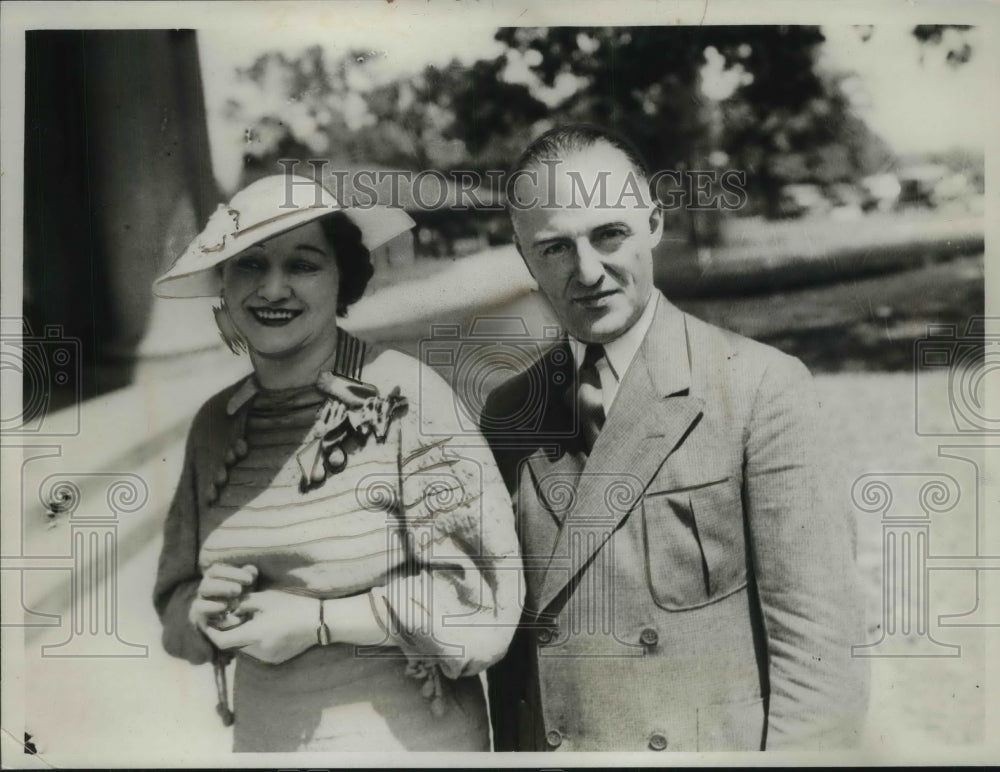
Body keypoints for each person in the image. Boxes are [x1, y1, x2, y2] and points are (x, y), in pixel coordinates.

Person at [482, 125, 868, 752]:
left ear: (655, 223)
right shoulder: (508, 413)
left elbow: (819, 649)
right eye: (554, 248)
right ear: (525, 258)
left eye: (610, 235)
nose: (587, 272)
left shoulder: (760, 389)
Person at [151, 174, 522, 752]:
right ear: (222, 282)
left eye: (302, 265)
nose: (272, 289)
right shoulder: (214, 426)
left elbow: (483, 605)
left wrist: (318, 622)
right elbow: (174, 602)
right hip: (264, 741)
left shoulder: (406, 397)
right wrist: (200, 609)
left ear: (342, 278)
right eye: (249, 265)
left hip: (405, 746)